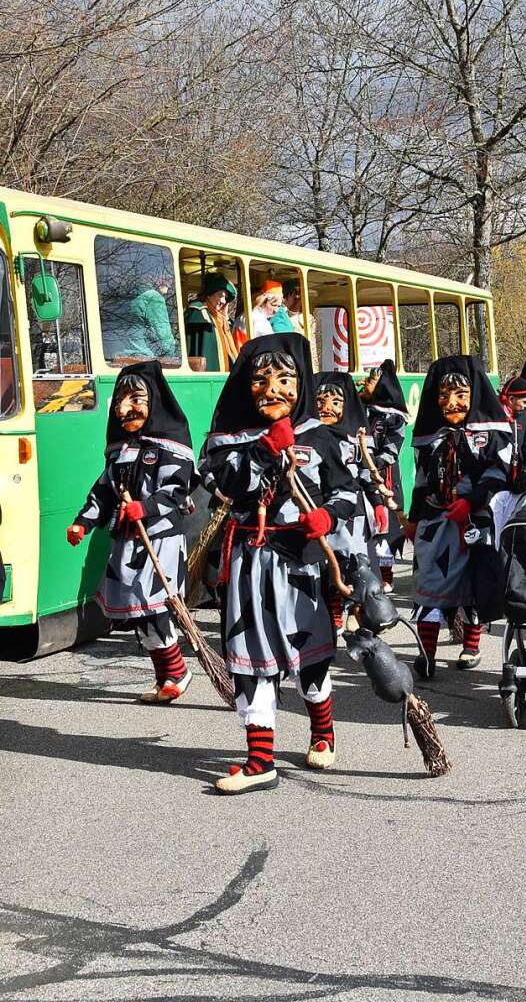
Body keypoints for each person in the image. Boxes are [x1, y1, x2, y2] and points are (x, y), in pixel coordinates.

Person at [201, 333, 357, 794]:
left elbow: (349, 492)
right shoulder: (228, 441)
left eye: (285, 379)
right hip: (249, 562)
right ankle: (259, 761)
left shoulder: (321, 436)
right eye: (261, 380)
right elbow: (224, 485)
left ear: (301, 382)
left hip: (303, 564)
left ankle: (323, 732)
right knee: (251, 659)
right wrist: (266, 447)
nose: (273, 389)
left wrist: (328, 515)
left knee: (310, 659)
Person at [66, 361, 195, 703]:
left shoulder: (170, 447)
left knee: (152, 605)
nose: (127, 408)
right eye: (121, 399)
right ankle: (167, 675)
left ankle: (177, 672)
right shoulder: (121, 453)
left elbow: (176, 492)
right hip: (128, 538)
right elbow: (104, 492)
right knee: (139, 613)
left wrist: (147, 507)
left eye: (136, 398)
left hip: (161, 538)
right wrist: (84, 521)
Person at [408, 355, 512, 676]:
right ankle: (426, 654)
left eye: (460, 395)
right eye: (443, 396)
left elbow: (500, 471)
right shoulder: (430, 438)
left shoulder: (492, 433)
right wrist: (414, 518)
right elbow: (422, 480)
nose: (451, 403)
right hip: (436, 522)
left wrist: (472, 500)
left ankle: (471, 645)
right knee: (428, 584)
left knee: (473, 583)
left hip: (475, 521)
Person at [315, 371, 378, 629]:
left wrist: (380, 503)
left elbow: (367, 472)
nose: (327, 408)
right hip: (319, 509)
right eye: (320, 402)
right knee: (327, 567)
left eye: (335, 403)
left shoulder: (357, 437)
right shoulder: (309, 437)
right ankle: (333, 616)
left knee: (354, 564)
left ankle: (356, 611)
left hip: (353, 512)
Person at [357, 359, 408, 593]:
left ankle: (386, 576)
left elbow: (392, 449)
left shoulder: (393, 416)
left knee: (384, 530)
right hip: (360, 477)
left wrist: (373, 463)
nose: (366, 384)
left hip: (383, 477)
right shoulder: (359, 408)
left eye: (371, 380)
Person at [492, 375, 526, 542]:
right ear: (510, 399)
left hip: (517, 481)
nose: (525, 407)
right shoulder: (493, 415)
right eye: (523, 402)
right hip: (497, 481)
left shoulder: (523, 417)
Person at [102, 272, 178, 362]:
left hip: (115, 355)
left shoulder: (121, 297)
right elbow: (162, 331)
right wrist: (172, 354)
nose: (170, 284)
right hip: (142, 357)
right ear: (157, 280)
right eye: (167, 279)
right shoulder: (153, 298)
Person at [184, 271, 238, 372]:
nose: (223, 301)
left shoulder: (220, 319)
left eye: (225, 298)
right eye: (220, 295)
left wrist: (225, 317)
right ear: (209, 294)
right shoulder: (198, 313)